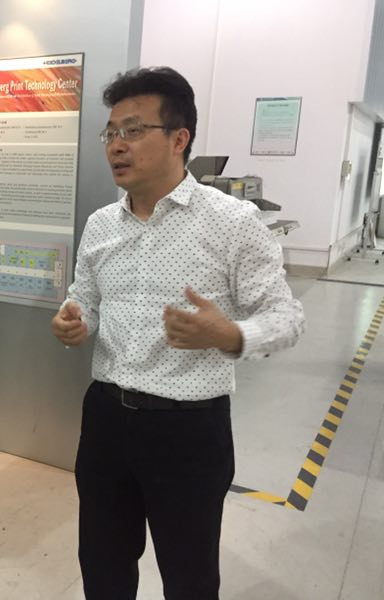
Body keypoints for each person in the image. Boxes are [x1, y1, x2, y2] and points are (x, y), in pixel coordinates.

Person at [51, 66, 305, 600]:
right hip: (106, 421)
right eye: (111, 133)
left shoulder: (233, 222)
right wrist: (75, 319)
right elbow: (85, 298)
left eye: (133, 130)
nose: (117, 145)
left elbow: (286, 318)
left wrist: (229, 334)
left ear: (178, 138)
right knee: (102, 563)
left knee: (189, 577)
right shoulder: (100, 225)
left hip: (188, 430)